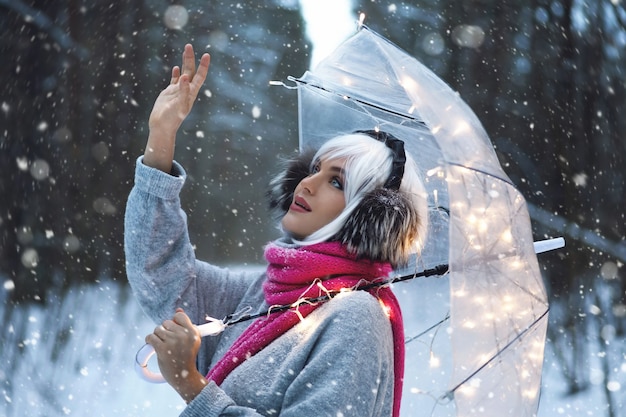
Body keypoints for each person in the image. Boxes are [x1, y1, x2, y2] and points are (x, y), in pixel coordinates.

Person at [124, 44, 428, 417]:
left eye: (336, 183)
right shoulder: (271, 291)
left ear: (366, 215)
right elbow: (164, 277)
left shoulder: (357, 319)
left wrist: (192, 385)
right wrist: (161, 140)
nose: (306, 184)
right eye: (315, 169)